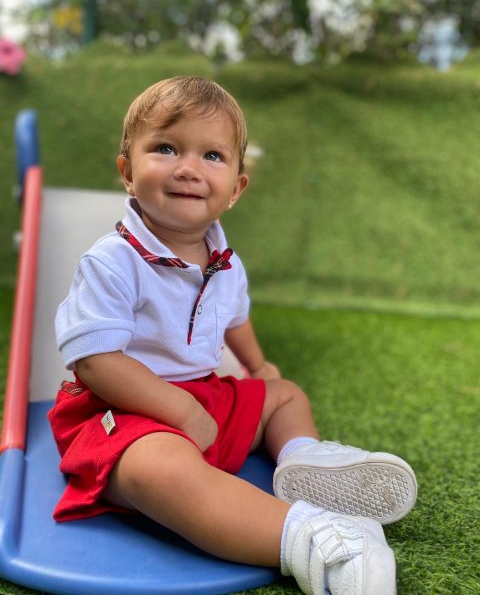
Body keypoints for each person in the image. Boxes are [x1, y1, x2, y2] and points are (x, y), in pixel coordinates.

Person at [49, 76, 417, 595]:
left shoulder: (225, 261)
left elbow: (235, 318)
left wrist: (258, 366)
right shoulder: (113, 261)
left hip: (202, 399)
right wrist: (179, 412)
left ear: (236, 189)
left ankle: (303, 461)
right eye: (166, 148)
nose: (188, 168)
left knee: (284, 395)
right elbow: (96, 361)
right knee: (158, 470)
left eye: (212, 156)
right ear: (128, 173)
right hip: (121, 411)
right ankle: (317, 540)